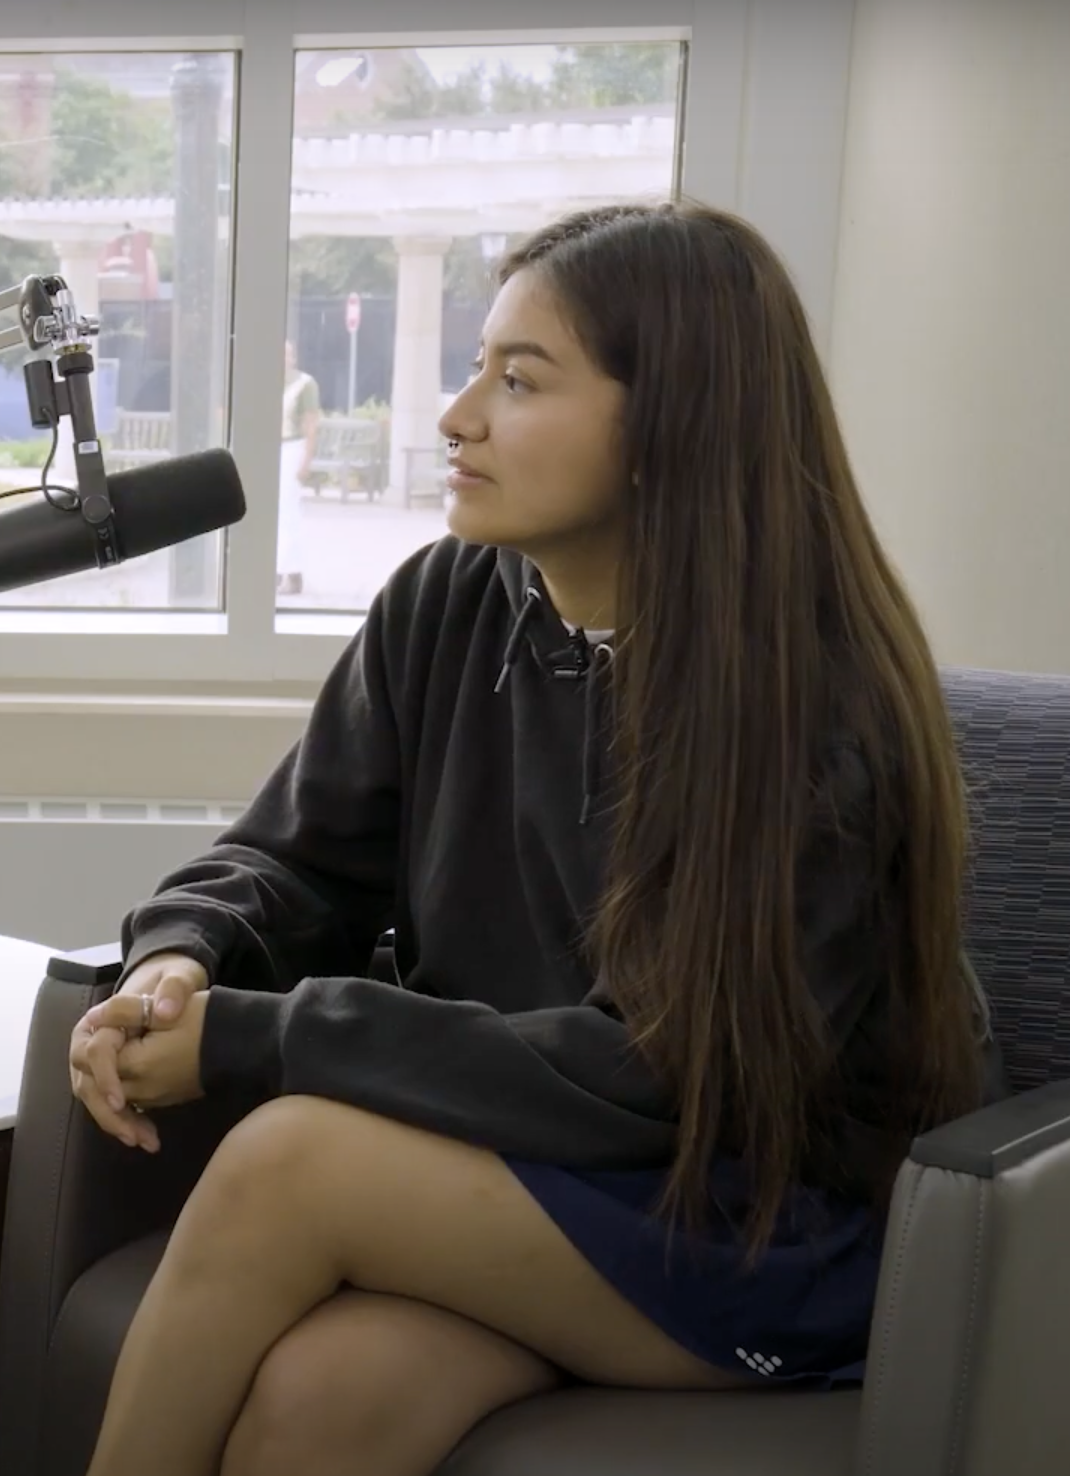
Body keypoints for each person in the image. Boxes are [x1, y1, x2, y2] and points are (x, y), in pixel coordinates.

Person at [64, 200, 996, 1476]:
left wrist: (262, 1037)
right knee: (322, 1404)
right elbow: (293, 855)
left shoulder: (810, 705)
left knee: (288, 1159)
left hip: (756, 1213)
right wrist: (184, 955)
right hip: (523, 1164)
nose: (457, 417)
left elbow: (657, 1074)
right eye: (473, 369)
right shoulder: (453, 600)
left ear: (671, 419)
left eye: (518, 379)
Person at [278, 337, 320, 597]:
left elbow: (311, 423)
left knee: (288, 510)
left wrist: (306, 460)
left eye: (287, 354)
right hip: (267, 449)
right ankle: (273, 570)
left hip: (291, 448)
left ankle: (293, 574)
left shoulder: (304, 384)